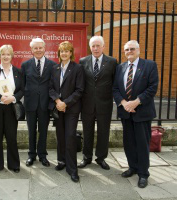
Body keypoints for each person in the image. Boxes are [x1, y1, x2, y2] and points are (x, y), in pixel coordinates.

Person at [112, 40, 159, 188]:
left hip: (142, 112)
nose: (129, 52)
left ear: (138, 50)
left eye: (132, 49)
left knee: (142, 143)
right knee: (129, 143)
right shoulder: (120, 68)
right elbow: (115, 89)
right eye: (126, 49)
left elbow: (152, 87)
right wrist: (125, 103)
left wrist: (136, 102)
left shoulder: (149, 65)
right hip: (126, 112)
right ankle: (132, 167)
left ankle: (143, 173)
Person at [78, 36, 118, 170]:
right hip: (87, 104)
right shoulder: (83, 61)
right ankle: (86, 157)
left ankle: (101, 158)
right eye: (93, 46)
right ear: (90, 47)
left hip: (104, 104)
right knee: (87, 131)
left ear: (103, 46)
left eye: (98, 46)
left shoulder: (112, 62)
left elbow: (115, 83)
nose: (95, 48)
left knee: (103, 132)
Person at [0, 45, 24, 174]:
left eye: (8, 54)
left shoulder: (18, 72)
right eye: (3, 54)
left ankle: (14, 164)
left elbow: (22, 89)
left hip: (11, 107)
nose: (6, 56)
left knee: (11, 136)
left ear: (12, 56)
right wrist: (0, 98)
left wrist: (13, 98)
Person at [49, 41, 84, 182]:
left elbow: (79, 90)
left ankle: (72, 169)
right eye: (61, 51)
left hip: (71, 109)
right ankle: (61, 161)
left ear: (71, 53)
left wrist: (66, 103)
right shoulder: (55, 68)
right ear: (59, 53)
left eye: (66, 51)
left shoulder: (78, 68)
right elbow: (51, 88)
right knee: (60, 136)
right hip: (58, 108)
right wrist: (58, 101)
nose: (64, 53)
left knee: (70, 137)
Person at [21, 38, 56, 167]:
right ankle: (31, 155)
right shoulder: (25, 65)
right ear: (31, 50)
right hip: (30, 104)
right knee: (31, 131)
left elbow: (53, 85)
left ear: (44, 48)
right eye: (35, 48)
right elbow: (22, 84)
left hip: (45, 104)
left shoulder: (52, 65)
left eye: (40, 47)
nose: (38, 50)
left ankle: (42, 155)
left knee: (43, 130)